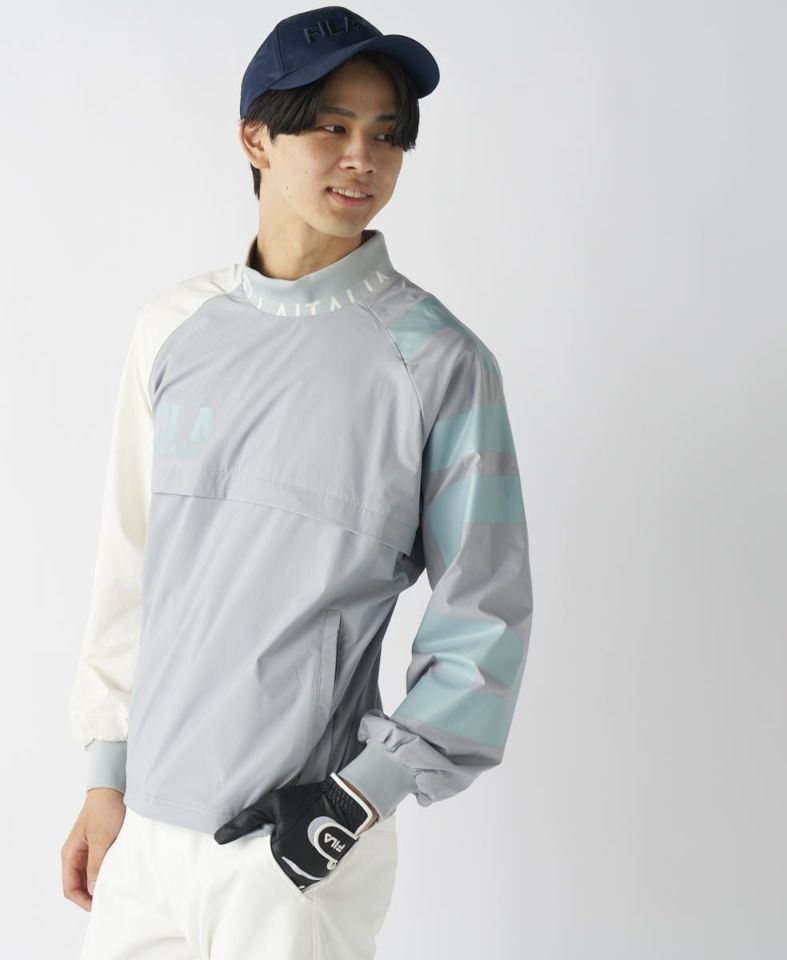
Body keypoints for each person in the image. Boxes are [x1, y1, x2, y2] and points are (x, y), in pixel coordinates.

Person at [61, 5, 533, 958]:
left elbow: (485, 615)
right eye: (331, 125)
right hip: (146, 836)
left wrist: (355, 801)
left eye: (387, 135)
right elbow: (131, 565)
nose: (364, 158)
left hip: (294, 847)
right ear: (256, 139)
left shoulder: (438, 363)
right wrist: (106, 776)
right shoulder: (173, 328)